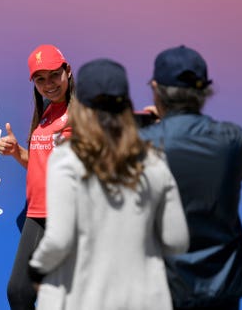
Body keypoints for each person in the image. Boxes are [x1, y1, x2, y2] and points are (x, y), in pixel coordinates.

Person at [28, 58, 189, 310]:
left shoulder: (66, 159)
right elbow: (177, 240)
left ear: (82, 108)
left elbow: (58, 240)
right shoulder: (155, 160)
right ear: (127, 106)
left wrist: (37, 269)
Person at [139, 45, 242, 310]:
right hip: (221, 287)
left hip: (164, 286)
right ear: (204, 91)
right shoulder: (231, 138)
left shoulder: (141, 145)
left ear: (156, 90)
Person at [0, 44, 74, 310]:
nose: (48, 84)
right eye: (40, 79)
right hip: (38, 213)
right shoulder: (47, 113)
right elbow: (42, 164)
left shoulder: (82, 114)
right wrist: (17, 151)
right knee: (19, 293)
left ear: (67, 70)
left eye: (54, 74)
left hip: (69, 216)